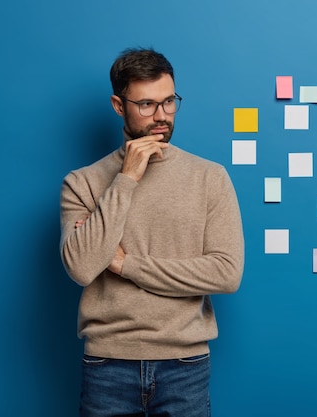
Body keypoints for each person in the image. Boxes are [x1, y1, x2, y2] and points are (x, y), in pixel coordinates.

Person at [59, 47, 244, 417]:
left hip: (185, 365)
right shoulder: (82, 183)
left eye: (169, 102)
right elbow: (81, 267)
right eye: (146, 105)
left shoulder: (210, 177)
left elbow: (226, 273)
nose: (161, 117)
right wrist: (126, 179)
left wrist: (125, 265)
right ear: (118, 104)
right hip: (106, 365)